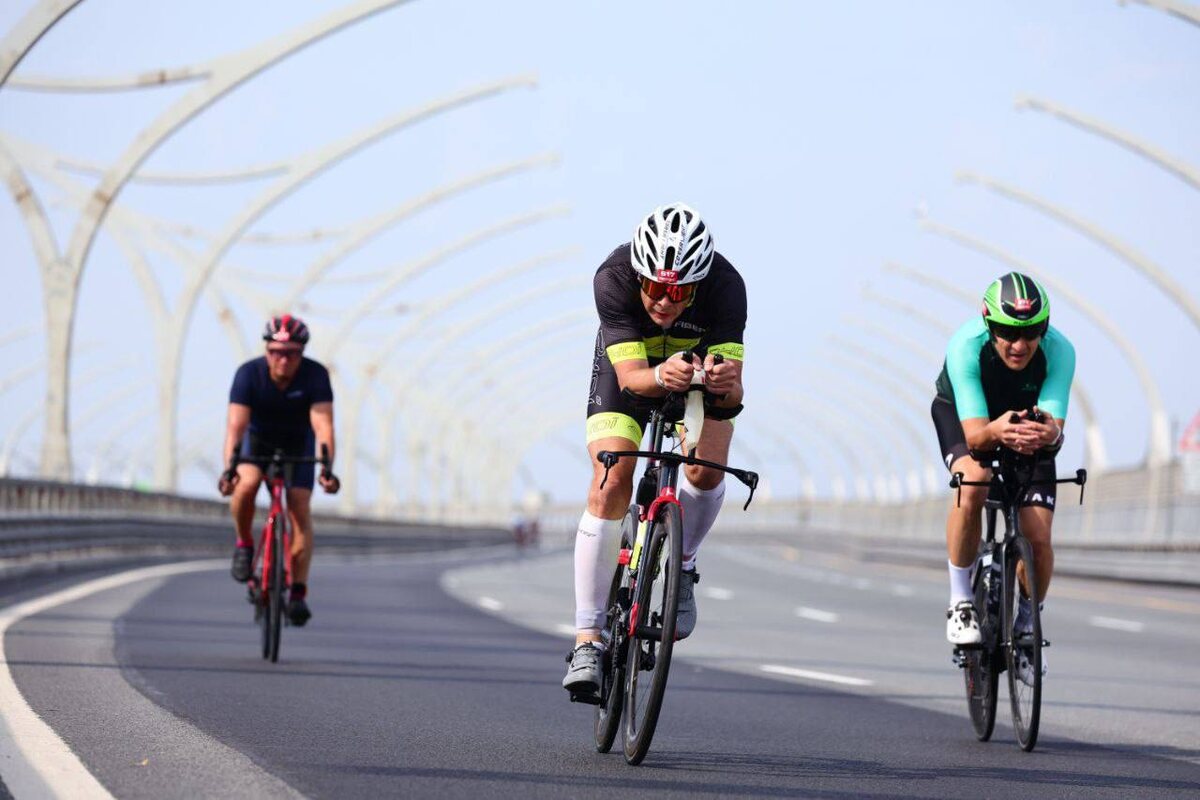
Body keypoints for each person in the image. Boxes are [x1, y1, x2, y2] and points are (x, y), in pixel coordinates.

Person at [563, 203, 746, 696]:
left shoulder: (727, 288)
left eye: (680, 291)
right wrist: (661, 374)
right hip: (633, 373)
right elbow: (631, 379)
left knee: (706, 471)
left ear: (699, 284)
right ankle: (587, 640)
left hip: (694, 379)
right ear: (639, 276)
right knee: (611, 478)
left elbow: (733, 395)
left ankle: (682, 566)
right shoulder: (614, 278)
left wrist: (727, 384)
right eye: (656, 287)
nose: (665, 301)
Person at [931, 272, 1074, 684]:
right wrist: (996, 432)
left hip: (1025, 427)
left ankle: (1028, 625)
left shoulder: (1061, 351)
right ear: (988, 323)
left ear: (1043, 329)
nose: (1019, 344)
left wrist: (1050, 432)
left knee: (1039, 536)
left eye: (1030, 333)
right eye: (1007, 332)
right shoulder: (965, 346)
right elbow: (976, 435)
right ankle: (961, 601)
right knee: (972, 481)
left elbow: (1055, 428)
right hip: (966, 417)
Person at [218, 315, 340, 626]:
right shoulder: (249, 374)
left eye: (291, 353)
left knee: (299, 506)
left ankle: (298, 591)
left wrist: (327, 469)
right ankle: (244, 544)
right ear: (266, 350)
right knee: (247, 485)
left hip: (298, 444)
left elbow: (323, 426)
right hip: (256, 441)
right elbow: (236, 426)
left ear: (302, 353)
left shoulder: (315, 376)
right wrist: (229, 469)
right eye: (275, 352)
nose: (282, 359)